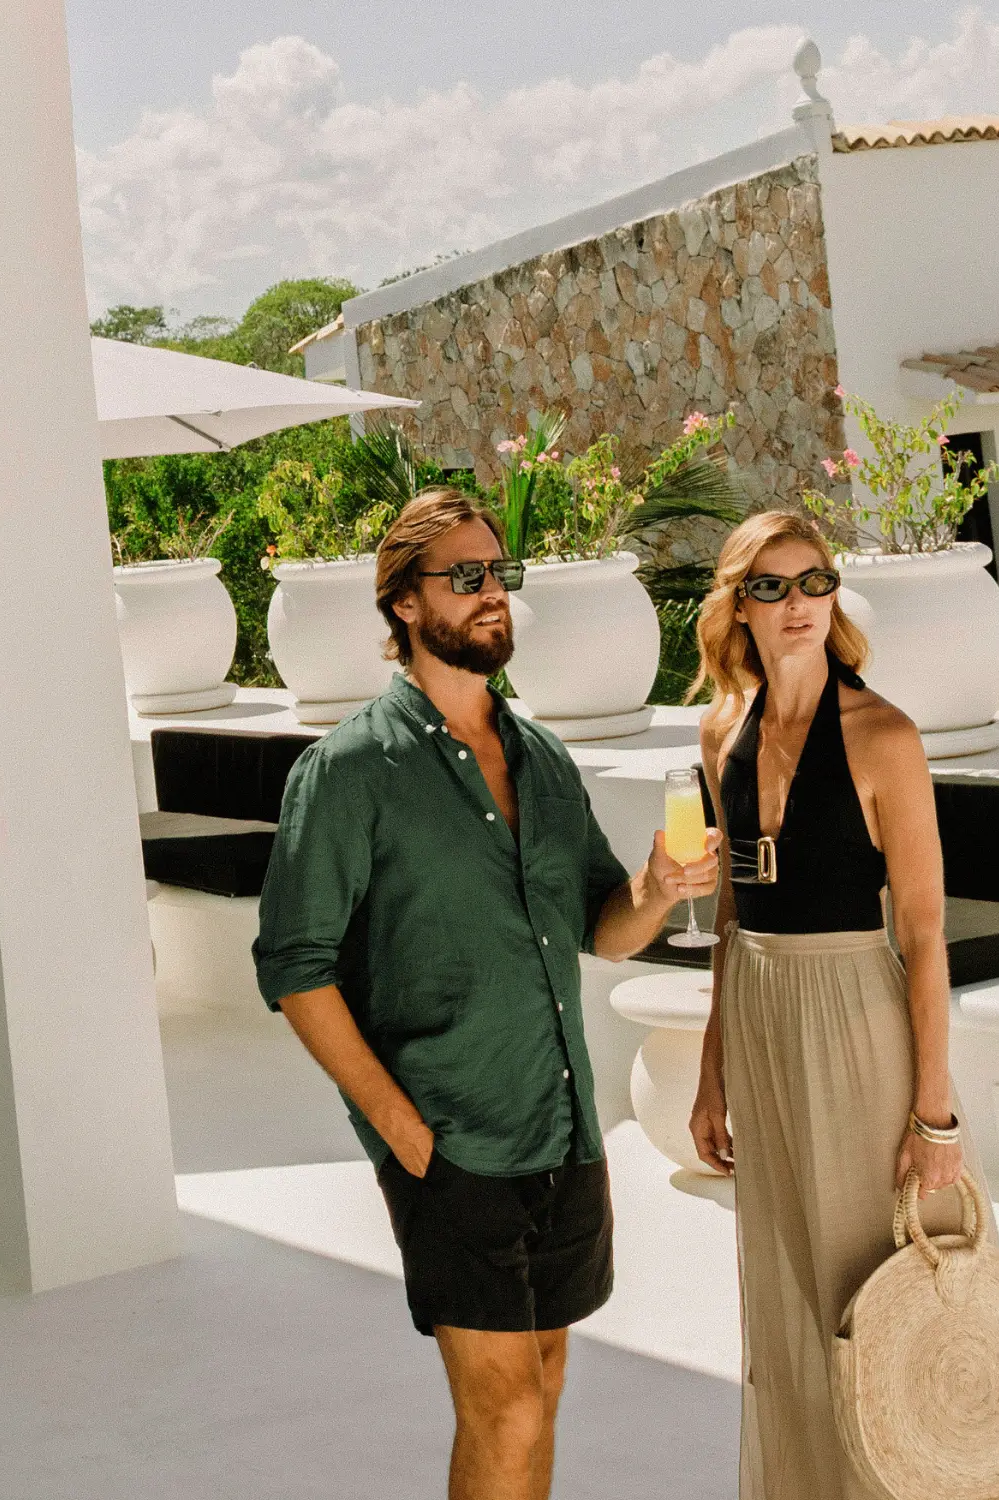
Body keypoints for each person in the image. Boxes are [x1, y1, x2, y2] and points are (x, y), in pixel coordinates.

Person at [253, 492, 718, 1500]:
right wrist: (396, 1124)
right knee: (501, 1405)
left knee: (540, 1384)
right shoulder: (348, 771)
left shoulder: (543, 760)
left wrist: (658, 888)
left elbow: (601, 922)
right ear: (406, 606)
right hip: (449, 1136)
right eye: (463, 576)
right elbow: (293, 963)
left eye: (498, 573)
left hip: (559, 1123)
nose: (490, 593)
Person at [684, 510, 979, 1500]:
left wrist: (933, 1112)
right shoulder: (720, 728)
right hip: (759, 1014)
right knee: (782, 1286)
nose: (798, 604)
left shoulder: (880, 735)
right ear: (738, 605)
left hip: (855, 1013)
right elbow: (730, 914)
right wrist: (710, 1066)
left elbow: (926, 933)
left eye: (813, 581)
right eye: (770, 586)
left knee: (875, 1287)